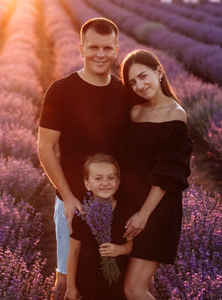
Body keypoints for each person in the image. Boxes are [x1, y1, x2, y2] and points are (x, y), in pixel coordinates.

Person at [37, 17, 130, 299]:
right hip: (74, 202)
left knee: (119, 283)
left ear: (116, 48)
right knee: (66, 283)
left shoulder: (125, 93)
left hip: (117, 204)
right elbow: (45, 148)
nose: (100, 54)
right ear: (81, 48)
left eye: (107, 48)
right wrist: (67, 197)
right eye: (93, 47)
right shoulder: (61, 90)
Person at [119, 49, 193, 299]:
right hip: (130, 204)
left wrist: (143, 215)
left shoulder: (175, 115)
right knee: (138, 284)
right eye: (132, 82)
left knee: (133, 289)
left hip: (156, 210)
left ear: (159, 72)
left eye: (143, 76)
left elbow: (167, 174)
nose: (139, 85)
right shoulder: (135, 112)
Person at [65, 153, 132, 300]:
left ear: (118, 182)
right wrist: (70, 286)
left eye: (111, 178)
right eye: (98, 178)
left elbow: (131, 246)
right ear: (87, 183)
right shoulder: (82, 214)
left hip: (117, 281)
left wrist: (119, 249)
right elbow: (74, 252)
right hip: (87, 281)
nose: (105, 183)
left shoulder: (126, 213)